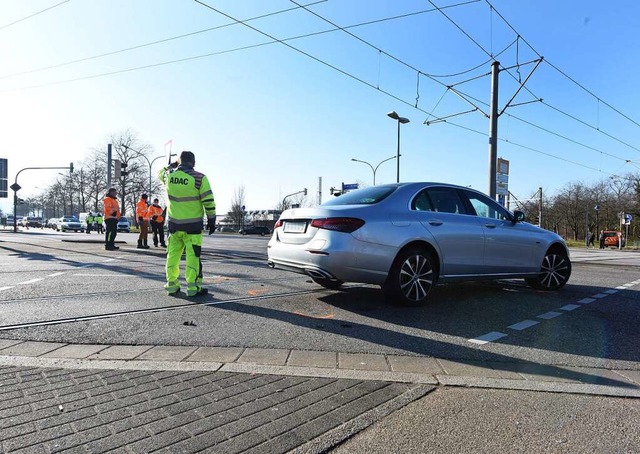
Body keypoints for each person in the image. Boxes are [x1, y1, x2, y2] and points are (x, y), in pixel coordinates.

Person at [158, 151, 216, 297]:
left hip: (173, 225)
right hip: (193, 226)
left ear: (180, 161)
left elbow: (160, 173)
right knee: (192, 257)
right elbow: (208, 200)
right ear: (194, 162)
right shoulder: (199, 178)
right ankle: (192, 288)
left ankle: (171, 285)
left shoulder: (169, 176)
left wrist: (171, 165)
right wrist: (212, 219)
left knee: (172, 256)